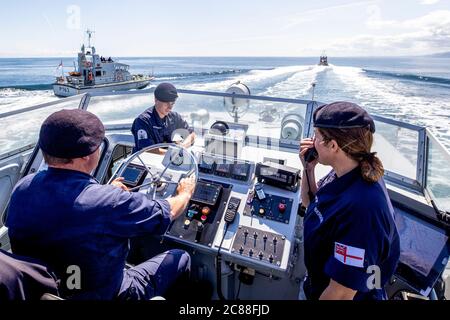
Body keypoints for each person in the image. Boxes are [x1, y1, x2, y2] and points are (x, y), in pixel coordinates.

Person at [6, 109, 196, 300]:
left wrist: (105, 190)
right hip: (109, 294)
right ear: (87, 156)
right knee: (180, 257)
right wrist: (185, 193)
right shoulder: (110, 202)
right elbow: (166, 212)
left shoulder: (23, 188)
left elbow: (71, 210)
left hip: (43, 290)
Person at [299, 101, 400, 300]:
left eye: (316, 137)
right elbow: (311, 204)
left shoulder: (362, 210)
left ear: (333, 146)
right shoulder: (346, 171)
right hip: (316, 284)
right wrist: (308, 169)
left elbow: (341, 294)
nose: (311, 142)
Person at [131, 83, 196, 153]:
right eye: (166, 103)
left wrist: (183, 146)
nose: (170, 107)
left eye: (172, 103)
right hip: (144, 161)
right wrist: (173, 153)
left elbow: (191, 134)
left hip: (168, 160)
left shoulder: (174, 117)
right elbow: (147, 149)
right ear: (156, 100)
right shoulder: (143, 121)